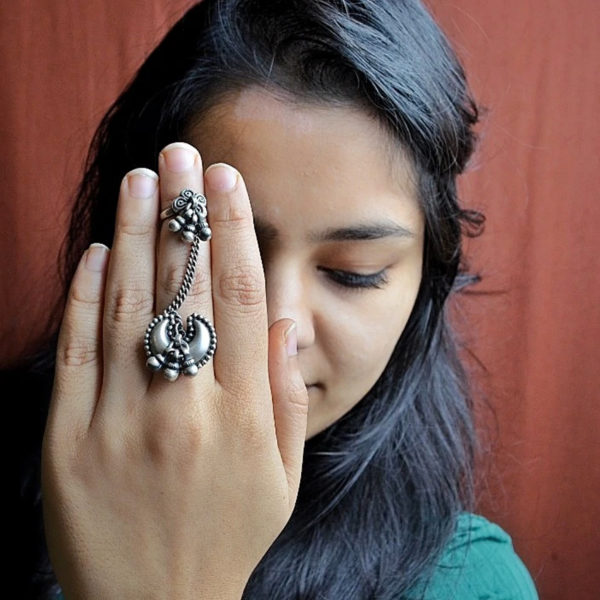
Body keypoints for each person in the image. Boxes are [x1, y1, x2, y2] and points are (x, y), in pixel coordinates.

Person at [7, 0, 540, 598]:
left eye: (352, 273)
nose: (276, 328)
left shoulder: (469, 584)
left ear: (426, 285)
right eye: (220, 250)